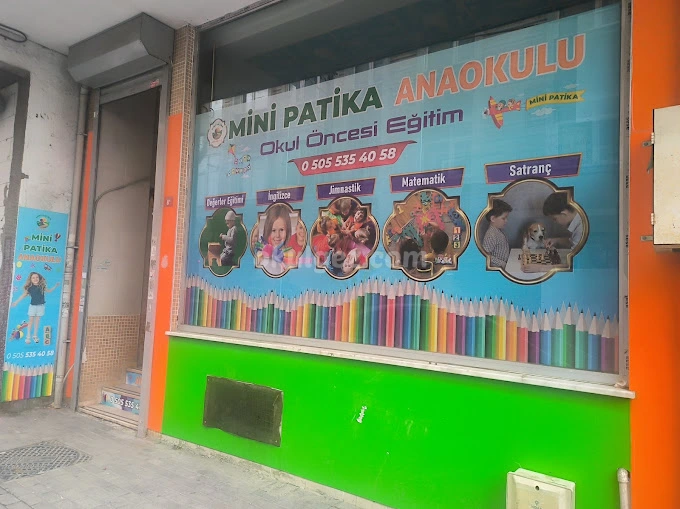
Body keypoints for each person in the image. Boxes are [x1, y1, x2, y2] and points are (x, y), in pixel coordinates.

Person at [12, 272, 60, 344]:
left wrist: (55, 286)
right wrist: (16, 302)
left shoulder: (42, 286)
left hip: (41, 306)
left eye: (37, 277)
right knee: (31, 321)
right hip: (33, 307)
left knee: (37, 322)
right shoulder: (29, 288)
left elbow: (49, 291)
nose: (35, 279)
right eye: (33, 278)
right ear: (30, 279)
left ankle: (35, 335)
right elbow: (23, 295)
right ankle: (28, 336)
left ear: (39, 278)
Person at [256, 203, 292, 276]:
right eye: (273, 230)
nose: (277, 235)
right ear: (267, 231)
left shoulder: (291, 254)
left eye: (281, 230)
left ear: (288, 231)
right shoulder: (260, 254)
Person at [482, 199, 512, 268]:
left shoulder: (498, 231)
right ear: (493, 219)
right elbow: (485, 255)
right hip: (498, 268)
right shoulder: (491, 235)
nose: (506, 221)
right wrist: (503, 264)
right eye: (503, 218)